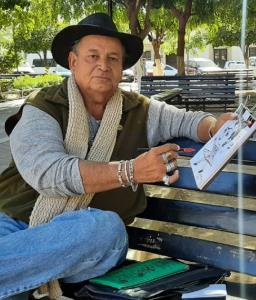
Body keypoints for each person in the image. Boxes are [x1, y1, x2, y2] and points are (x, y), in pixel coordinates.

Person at [0, 13, 235, 300]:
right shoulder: (43, 107)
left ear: (122, 66)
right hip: (15, 223)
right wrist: (130, 171)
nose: (103, 65)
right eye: (93, 56)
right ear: (73, 62)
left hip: (89, 245)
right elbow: (49, 175)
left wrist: (214, 127)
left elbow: (187, 122)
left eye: (113, 58)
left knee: (106, 229)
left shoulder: (140, 110)